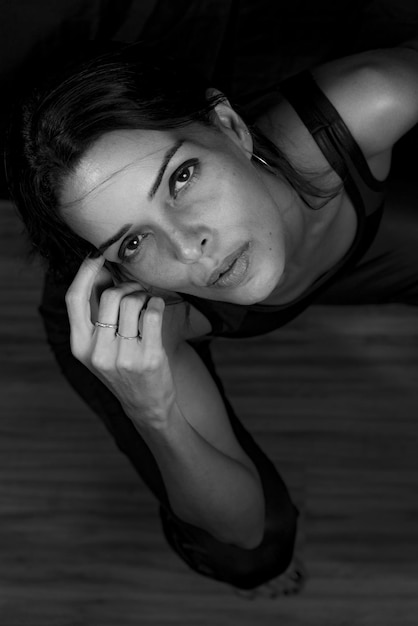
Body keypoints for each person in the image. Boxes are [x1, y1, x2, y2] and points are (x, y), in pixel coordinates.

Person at [5, 39, 418, 596]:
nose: (188, 248)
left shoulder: (372, 98)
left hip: (347, 242)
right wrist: (152, 412)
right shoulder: (140, 313)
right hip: (132, 334)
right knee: (251, 552)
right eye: (132, 240)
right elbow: (241, 529)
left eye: (181, 178)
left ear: (231, 126)